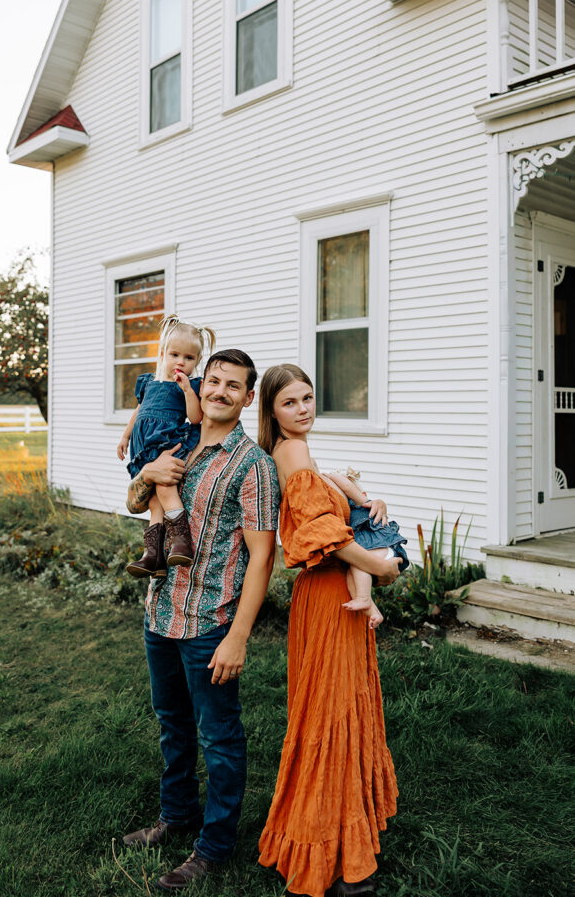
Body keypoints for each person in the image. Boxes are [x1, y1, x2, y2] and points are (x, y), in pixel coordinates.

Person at [122, 349, 280, 893]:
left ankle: (213, 847)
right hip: (160, 611)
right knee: (172, 724)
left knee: (220, 737)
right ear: (201, 384)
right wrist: (146, 470)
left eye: (232, 386)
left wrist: (239, 636)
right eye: (213, 381)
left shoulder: (253, 465)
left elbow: (264, 558)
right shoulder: (177, 438)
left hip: (211, 621)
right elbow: (138, 503)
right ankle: (177, 815)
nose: (219, 392)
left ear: (247, 397)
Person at [257, 364, 402, 897]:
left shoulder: (301, 452)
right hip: (327, 596)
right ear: (271, 411)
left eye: (309, 398)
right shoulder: (291, 453)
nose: (303, 409)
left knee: (336, 708)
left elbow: (332, 509)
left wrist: (362, 499)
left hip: (326, 597)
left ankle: (338, 837)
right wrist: (380, 567)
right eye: (290, 402)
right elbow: (323, 533)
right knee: (333, 711)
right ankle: (327, 853)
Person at [117, 315, 216, 578]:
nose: (181, 362)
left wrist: (187, 391)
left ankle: (181, 540)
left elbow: (195, 417)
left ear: (196, 361)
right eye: (175, 354)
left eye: (189, 358)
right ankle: (154, 557)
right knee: (153, 501)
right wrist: (125, 436)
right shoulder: (149, 382)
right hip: (144, 449)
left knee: (164, 486)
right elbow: (138, 411)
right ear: (163, 353)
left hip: (166, 444)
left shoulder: (190, 385)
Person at [319, 468, 409, 628]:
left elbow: (347, 486)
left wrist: (331, 476)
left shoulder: (360, 505)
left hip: (380, 547)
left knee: (358, 564)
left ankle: (364, 598)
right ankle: (371, 610)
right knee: (352, 574)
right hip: (377, 550)